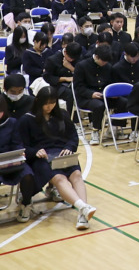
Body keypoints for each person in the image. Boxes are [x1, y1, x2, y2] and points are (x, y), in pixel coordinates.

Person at [19, 87, 96, 229]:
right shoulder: (27, 119)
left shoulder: (63, 115)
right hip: (42, 157)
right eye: (46, 103)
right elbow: (22, 145)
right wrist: (35, 151)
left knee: (77, 175)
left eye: (52, 103)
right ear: (38, 101)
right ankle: (83, 207)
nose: (49, 106)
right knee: (60, 178)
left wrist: (69, 147)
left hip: (62, 153)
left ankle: (82, 214)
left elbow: (73, 136)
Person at [0, 96, 38, 222]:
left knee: (27, 175)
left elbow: (17, 143)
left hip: (11, 160)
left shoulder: (12, 122)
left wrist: (19, 152)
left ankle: (26, 204)